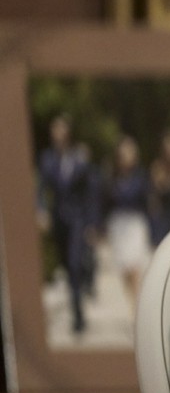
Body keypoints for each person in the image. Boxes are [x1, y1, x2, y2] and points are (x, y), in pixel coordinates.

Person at [35, 114, 98, 337]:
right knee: (67, 266)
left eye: (61, 130)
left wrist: (92, 223)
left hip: (77, 220)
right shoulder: (47, 159)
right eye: (54, 131)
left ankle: (78, 317)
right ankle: (82, 280)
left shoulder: (79, 158)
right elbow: (41, 188)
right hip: (59, 221)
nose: (57, 135)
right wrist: (41, 210)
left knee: (73, 264)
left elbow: (90, 192)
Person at [103, 136, 155, 310]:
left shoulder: (141, 177)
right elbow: (105, 203)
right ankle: (134, 305)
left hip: (135, 224)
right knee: (124, 269)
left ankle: (137, 308)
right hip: (118, 225)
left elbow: (149, 204)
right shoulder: (112, 177)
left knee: (135, 267)